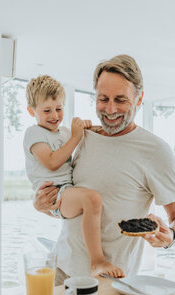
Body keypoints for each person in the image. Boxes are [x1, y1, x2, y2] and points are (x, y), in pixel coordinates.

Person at [33, 55, 175, 285]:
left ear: (139, 99)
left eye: (120, 99)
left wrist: (172, 237)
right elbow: (69, 204)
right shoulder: (83, 138)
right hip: (60, 269)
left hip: (110, 282)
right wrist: (40, 205)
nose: (110, 109)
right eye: (103, 99)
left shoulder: (156, 151)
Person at [23, 75, 125, 278]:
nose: (54, 115)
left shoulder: (62, 132)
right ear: (31, 111)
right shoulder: (34, 133)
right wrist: (76, 136)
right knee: (92, 199)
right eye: (46, 111)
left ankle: (96, 260)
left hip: (66, 191)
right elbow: (52, 162)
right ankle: (97, 261)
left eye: (59, 109)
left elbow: (86, 135)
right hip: (54, 194)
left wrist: (88, 128)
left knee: (91, 200)